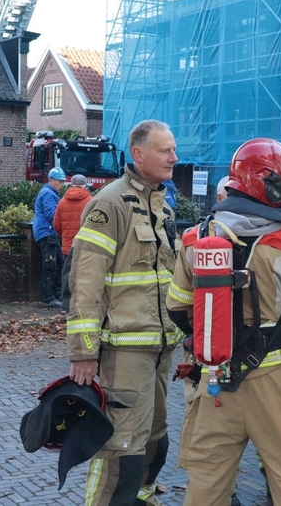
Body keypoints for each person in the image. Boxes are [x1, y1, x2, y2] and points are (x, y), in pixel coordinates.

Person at [167, 137, 281, 506]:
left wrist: (216, 342)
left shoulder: (196, 238)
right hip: (277, 386)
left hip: (214, 380)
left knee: (206, 487)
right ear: (269, 183)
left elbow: (178, 310)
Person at [66, 119, 181, 505]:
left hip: (161, 348)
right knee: (121, 449)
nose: (173, 158)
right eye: (165, 150)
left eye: (173, 150)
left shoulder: (163, 206)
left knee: (155, 440)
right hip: (125, 350)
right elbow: (85, 282)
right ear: (139, 154)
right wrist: (84, 352)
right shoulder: (109, 204)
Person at [53, 175, 93, 312]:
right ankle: (82, 306)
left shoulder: (62, 202)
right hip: (85, 246)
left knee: (67, 276)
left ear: (71, 185)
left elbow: (56, 225)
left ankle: (66, 306)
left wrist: (65, 237)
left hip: (67, 246)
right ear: (85, 186)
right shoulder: (90, 201)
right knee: (84, 277)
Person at [33, 166, 67, 308]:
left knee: (58, 264)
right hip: (47, 234)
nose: (62, 184)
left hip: (48, 233)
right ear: (51, 180)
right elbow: (52, 215)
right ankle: (48, 298)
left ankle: (56, 294)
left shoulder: (49, 193)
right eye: (59, 181)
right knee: (51, 265)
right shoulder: (48, 194)